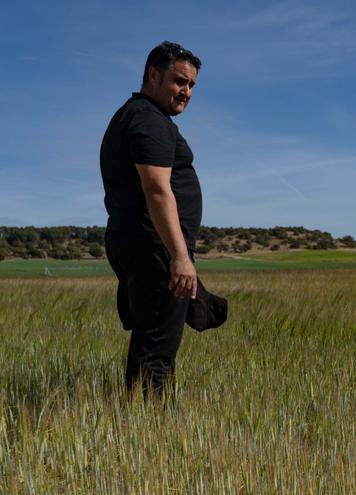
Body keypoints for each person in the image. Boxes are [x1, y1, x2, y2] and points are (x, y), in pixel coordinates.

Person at [100, 41, 206, 398]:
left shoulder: (136, 116)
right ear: (153, 75)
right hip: (154, 248)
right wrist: (179, 256)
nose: (186, 92)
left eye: (191, 85)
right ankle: (147, 433)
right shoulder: (149, 120)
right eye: (179, 81)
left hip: (142, 243)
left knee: (153, 336)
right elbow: (157, 189)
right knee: (156, 351)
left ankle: (141, 425)